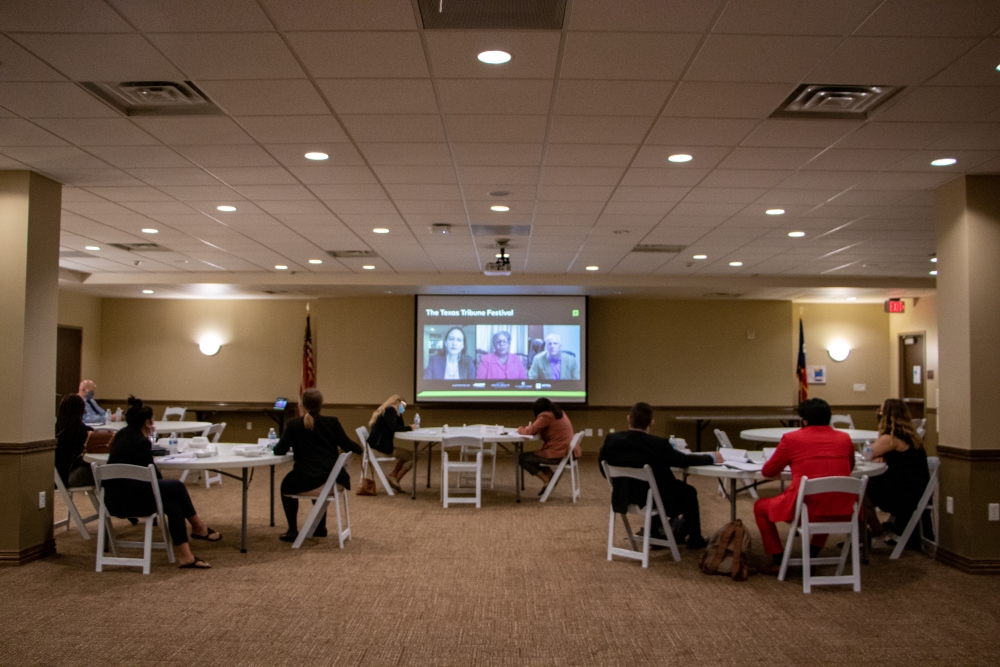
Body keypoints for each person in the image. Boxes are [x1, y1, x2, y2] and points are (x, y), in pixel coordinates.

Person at [105, 396, 221, 569]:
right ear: (147, 422)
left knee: (174, 506)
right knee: (177, 487)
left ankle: (186, 556)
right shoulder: (141, 442)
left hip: (113, 499)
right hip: (133, 501)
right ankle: (198, 527)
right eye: (152, 421)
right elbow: (153, 476)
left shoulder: (121, 435)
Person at [598, 402, 721, 549]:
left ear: (628, 418)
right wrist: (711, 457)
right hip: (656, 499)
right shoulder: (658, 445)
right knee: (688, 492)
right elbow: (683, 461)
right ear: (651, 422)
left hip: (624, 496)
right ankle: (695, 539)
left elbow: (603, 469)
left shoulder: (611, 440)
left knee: (656, 488)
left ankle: (657, 532)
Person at [754, 398, 856, 575]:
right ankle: (812, 554)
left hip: (805, 510)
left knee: (759, 507)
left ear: (805, 420)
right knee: (827, 499)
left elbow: (768, 471)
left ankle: (778, 560)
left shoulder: (792, 439)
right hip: (844, 510)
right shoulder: (845, 438)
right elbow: (850, 467)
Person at [273, 388, 363, 542]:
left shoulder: (294, 425)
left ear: (301, 405)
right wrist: (360, 448)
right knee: (315, 476)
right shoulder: (332, 422)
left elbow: (279, 450)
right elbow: (349, 445)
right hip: (333, 478)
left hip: (312, 478)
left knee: (286, 485)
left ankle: (292, 530)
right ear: (321, 405)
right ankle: (320, 527)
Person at [863, 398, 931, 547]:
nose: (878, 414)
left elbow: (866, 454)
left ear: (887, 415)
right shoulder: (910, 436)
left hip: (903, 495)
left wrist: (876, 454)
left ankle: (876, 530)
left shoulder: (890, 438)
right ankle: (872, 531)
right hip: (915, 490)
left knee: (860, 492)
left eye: (880, 411)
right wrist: (880, 455)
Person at [517, 398, 578, 493]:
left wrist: (520, 429)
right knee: (532, 457)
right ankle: (550, 475)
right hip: (568, 453)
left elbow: (529, 431)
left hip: (559, 454)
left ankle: (546, 480)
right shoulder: (559, 412)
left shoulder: (546, 416)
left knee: (522, 458)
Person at [367, 394, 413, 492]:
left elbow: (400, 426)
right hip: (380, 449)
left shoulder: (386, 411)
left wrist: (399, 415)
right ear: (397, 404)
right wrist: (410, 428)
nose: (403, 409)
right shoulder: (389, 410)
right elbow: (394, 428)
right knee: (413, 457)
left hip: (376, 447)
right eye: (403, 406)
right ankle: (395, 479)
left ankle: (394, 477)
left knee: (409, 455)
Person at [55, 394, 94, 488]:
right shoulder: (85, 431)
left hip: (56, 477)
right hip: (72, 476)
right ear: (80, 411)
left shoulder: (54, 430)